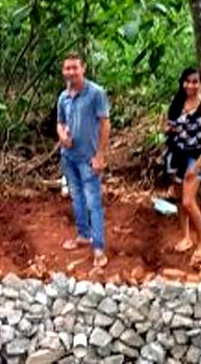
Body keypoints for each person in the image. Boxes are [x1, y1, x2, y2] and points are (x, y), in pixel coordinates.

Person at [57, 53, 110, 268]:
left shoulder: (96, 93)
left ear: (83, 68)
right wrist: (62, 136)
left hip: (89, 159)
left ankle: (98, 248)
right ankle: (83, 235)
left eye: (74, 68)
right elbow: (60, 122)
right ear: (63, 71)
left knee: (93, 203)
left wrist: (100, 155)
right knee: (76, 197)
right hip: (69, 157)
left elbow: (105, 124)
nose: (71, 72)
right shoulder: (64, 97)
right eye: (67, 68)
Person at [164, 67, 201, 264]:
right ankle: (186, 236)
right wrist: (169, 129)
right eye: (187, 82)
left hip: (195, 157)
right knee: (179, 200)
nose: (190, 86)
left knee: (189, 201)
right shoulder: (178, 102)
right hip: (177, 154)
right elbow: (170, 126)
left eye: (195, 82)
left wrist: (199, 165)